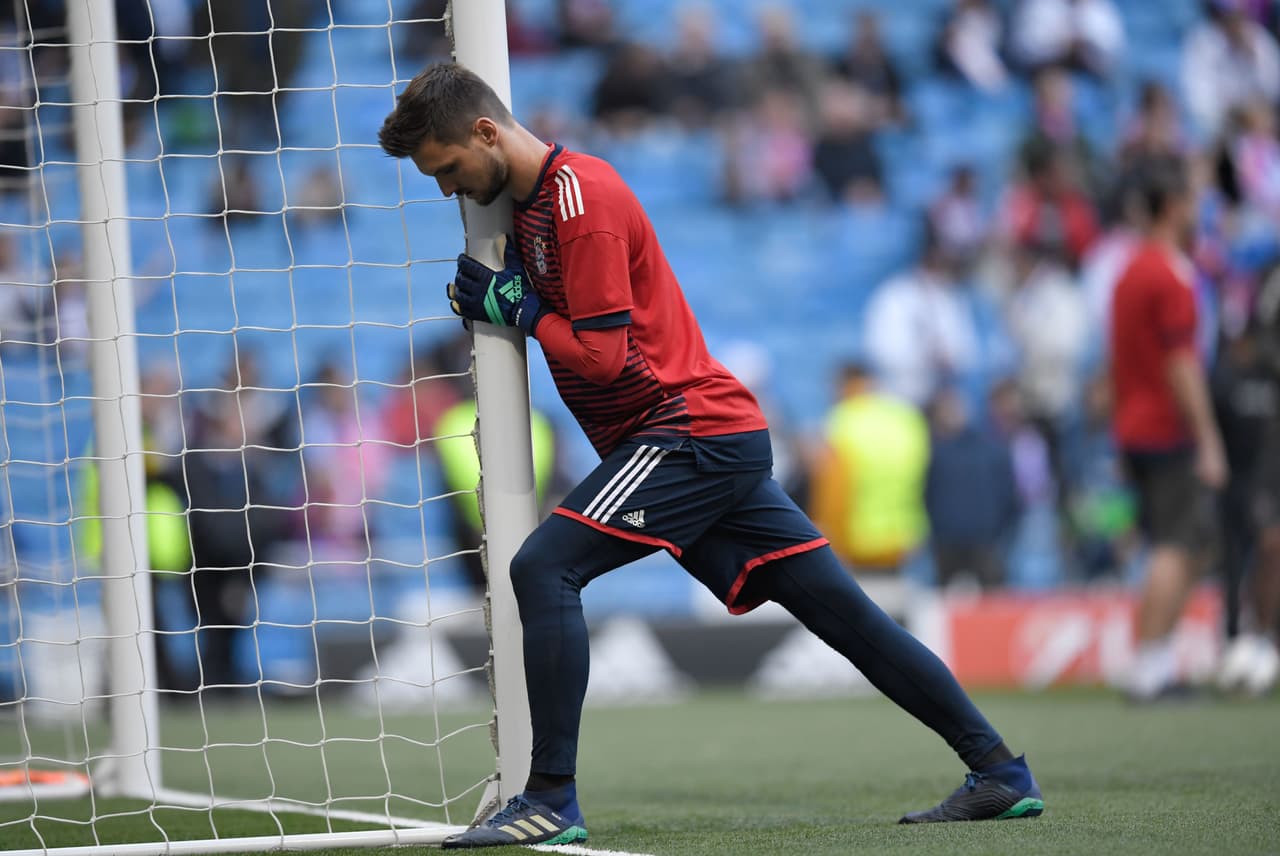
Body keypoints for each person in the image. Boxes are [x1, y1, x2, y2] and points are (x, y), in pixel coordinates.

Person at [378, 62, 1043, 848]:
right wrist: (514, 297)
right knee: (847, 617)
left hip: (686, 430)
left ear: (487, 132)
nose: (446, 190)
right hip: (707, 436)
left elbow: (602, 360)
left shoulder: (579, 198)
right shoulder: (530, 209)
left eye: (448, 168)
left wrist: (518, 309)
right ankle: (999, 770)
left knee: (545, 567)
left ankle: (550, 797)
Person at [1109, 157, 1228, 701]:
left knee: (1182, 543)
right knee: (1175, 545)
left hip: (1134, 423)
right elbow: (1181, 363)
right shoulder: (1170, 274)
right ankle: (1150, 667)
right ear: (1175, 206)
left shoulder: (1130, 270)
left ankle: (1153, 662)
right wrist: (1208, 437)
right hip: (1166, 426)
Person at [811, 362, 930, 574]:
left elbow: (834, 489)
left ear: (845, 385)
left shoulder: (843, 420)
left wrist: (827, 534)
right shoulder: (907, 418)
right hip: (904, 539)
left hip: (857, 540)